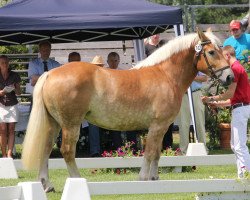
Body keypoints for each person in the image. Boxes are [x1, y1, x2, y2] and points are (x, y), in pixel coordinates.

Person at [202, 45, 250, 179]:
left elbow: (229, 93)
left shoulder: (234, 68)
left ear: (228, 55)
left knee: (239, 146)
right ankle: (242, 175)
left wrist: (210, 98)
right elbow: (233, 99)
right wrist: (215, 103)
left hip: (240, 110)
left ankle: (247, 175)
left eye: (223, 56)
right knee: (236, 146)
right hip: (241, 107)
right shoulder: (239, 68)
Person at [144, 36, 173, 149]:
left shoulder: (162, 44)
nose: (156, 36)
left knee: (166, 118)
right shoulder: (146, 47)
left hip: (163, 85)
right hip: (152, 83)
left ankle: (167, 146)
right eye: (154, 34)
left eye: (158, 34)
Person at [178, 73, 208, 155]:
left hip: (196, 93)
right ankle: (183, 151)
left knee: (199, 123)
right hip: (182, 94)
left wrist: (191, 76)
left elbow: (205, 78)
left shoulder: (197, 64)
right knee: (183, 124)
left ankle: (203, 149)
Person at [0, 55, 21, 158]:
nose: (5, 64)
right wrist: (3, 92)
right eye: (2, 63)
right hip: (1, 105)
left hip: (13, 104)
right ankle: (3, 155)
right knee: (3, 129)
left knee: (12, 129)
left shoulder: (14, 75)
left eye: (6, 62)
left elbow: (19, 93)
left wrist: (15, 88)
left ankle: (9, 154)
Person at [88, 55, 105, 157]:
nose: (98, 67)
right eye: (96, 65)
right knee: (93, 124)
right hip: (93, 110)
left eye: (99, 65)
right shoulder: (90, 79)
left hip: (107, 109)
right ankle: (95, 151)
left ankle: (117, 148)